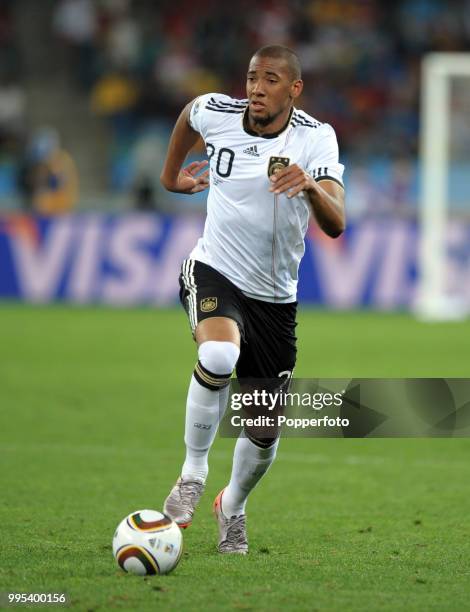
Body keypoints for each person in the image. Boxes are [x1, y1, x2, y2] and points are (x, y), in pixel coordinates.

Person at [160, 45, 345, 554]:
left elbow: (337, 223)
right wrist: (170, 175)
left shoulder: (315, 138)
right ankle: (192, 475)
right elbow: (187, 115)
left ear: (294, 88)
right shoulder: (216, 113)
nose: (256, 88)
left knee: (263, 433)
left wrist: (309, 187)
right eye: (251, 77)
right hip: (214, 269)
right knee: (218, 353)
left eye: (269, 79)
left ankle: (232, 506)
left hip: (275, 300)